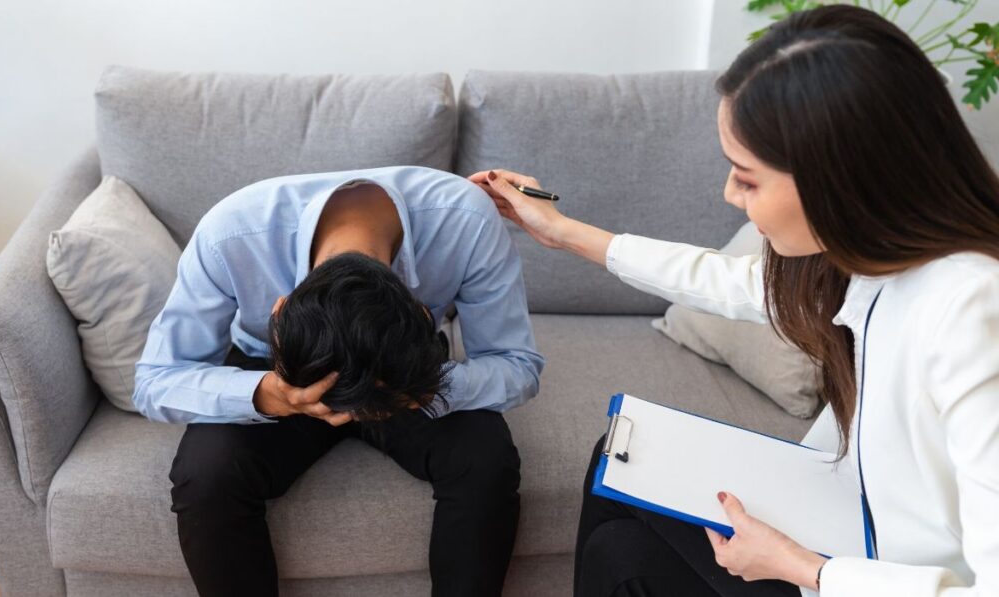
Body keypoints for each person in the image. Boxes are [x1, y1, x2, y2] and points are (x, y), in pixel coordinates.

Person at [470, 5, 999, 597]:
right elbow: (735, 283)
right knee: (620, 486)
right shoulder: (869, 259)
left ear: (841, 176)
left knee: (623, 533)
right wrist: (562, 231)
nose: (728, 195)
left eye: (746, 178)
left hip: (862, 574)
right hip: (843, 523)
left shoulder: (971, 311)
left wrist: (805, 568)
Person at [133, 166, 545, 597]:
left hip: (398, 365)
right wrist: (268, 395)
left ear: (421, 313)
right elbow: (154, 380)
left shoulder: (468, 222)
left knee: (486, 460)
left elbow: (516, 363)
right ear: (279, 310)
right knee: (207, 474)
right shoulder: (229, 236)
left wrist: (417, 389)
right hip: (276, 369)